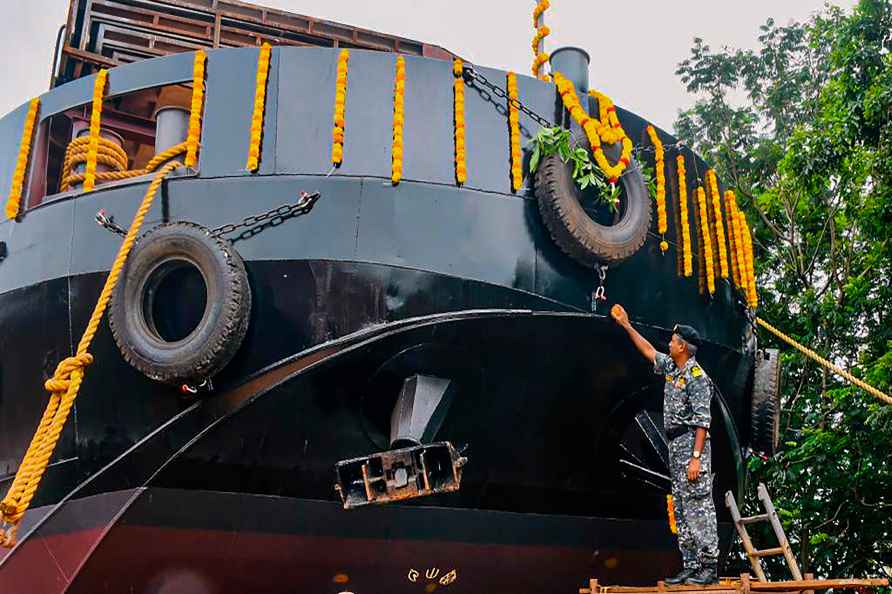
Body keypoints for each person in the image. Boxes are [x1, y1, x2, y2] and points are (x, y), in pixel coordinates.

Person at [610, 303, 719, 585]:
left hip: (691, 445)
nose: (668, 343)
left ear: (682, 346)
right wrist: (626, 325)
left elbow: (702, 423)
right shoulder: (672, 367)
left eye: (672, 341)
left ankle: (708, 566)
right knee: (682, 507)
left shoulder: (697, 378)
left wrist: (696, 458)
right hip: (674, 446)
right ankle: (691, 565)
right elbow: (648, 352)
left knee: (698, 506)